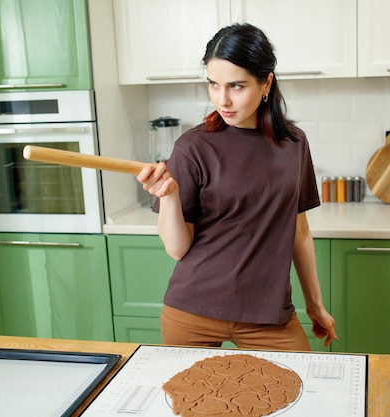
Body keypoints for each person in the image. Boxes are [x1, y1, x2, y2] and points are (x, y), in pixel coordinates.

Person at [137, 23, 337, 351]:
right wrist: (170, 197)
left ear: (266, 83)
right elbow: (177, 249)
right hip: (192, 311)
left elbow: (299, 231)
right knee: (195, 404)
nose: (223, 100)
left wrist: (315, 306)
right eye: (213, 85)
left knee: (301, 397)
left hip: (268, 315)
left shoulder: (294, 144)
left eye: (236, 86)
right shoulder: (193, 147)